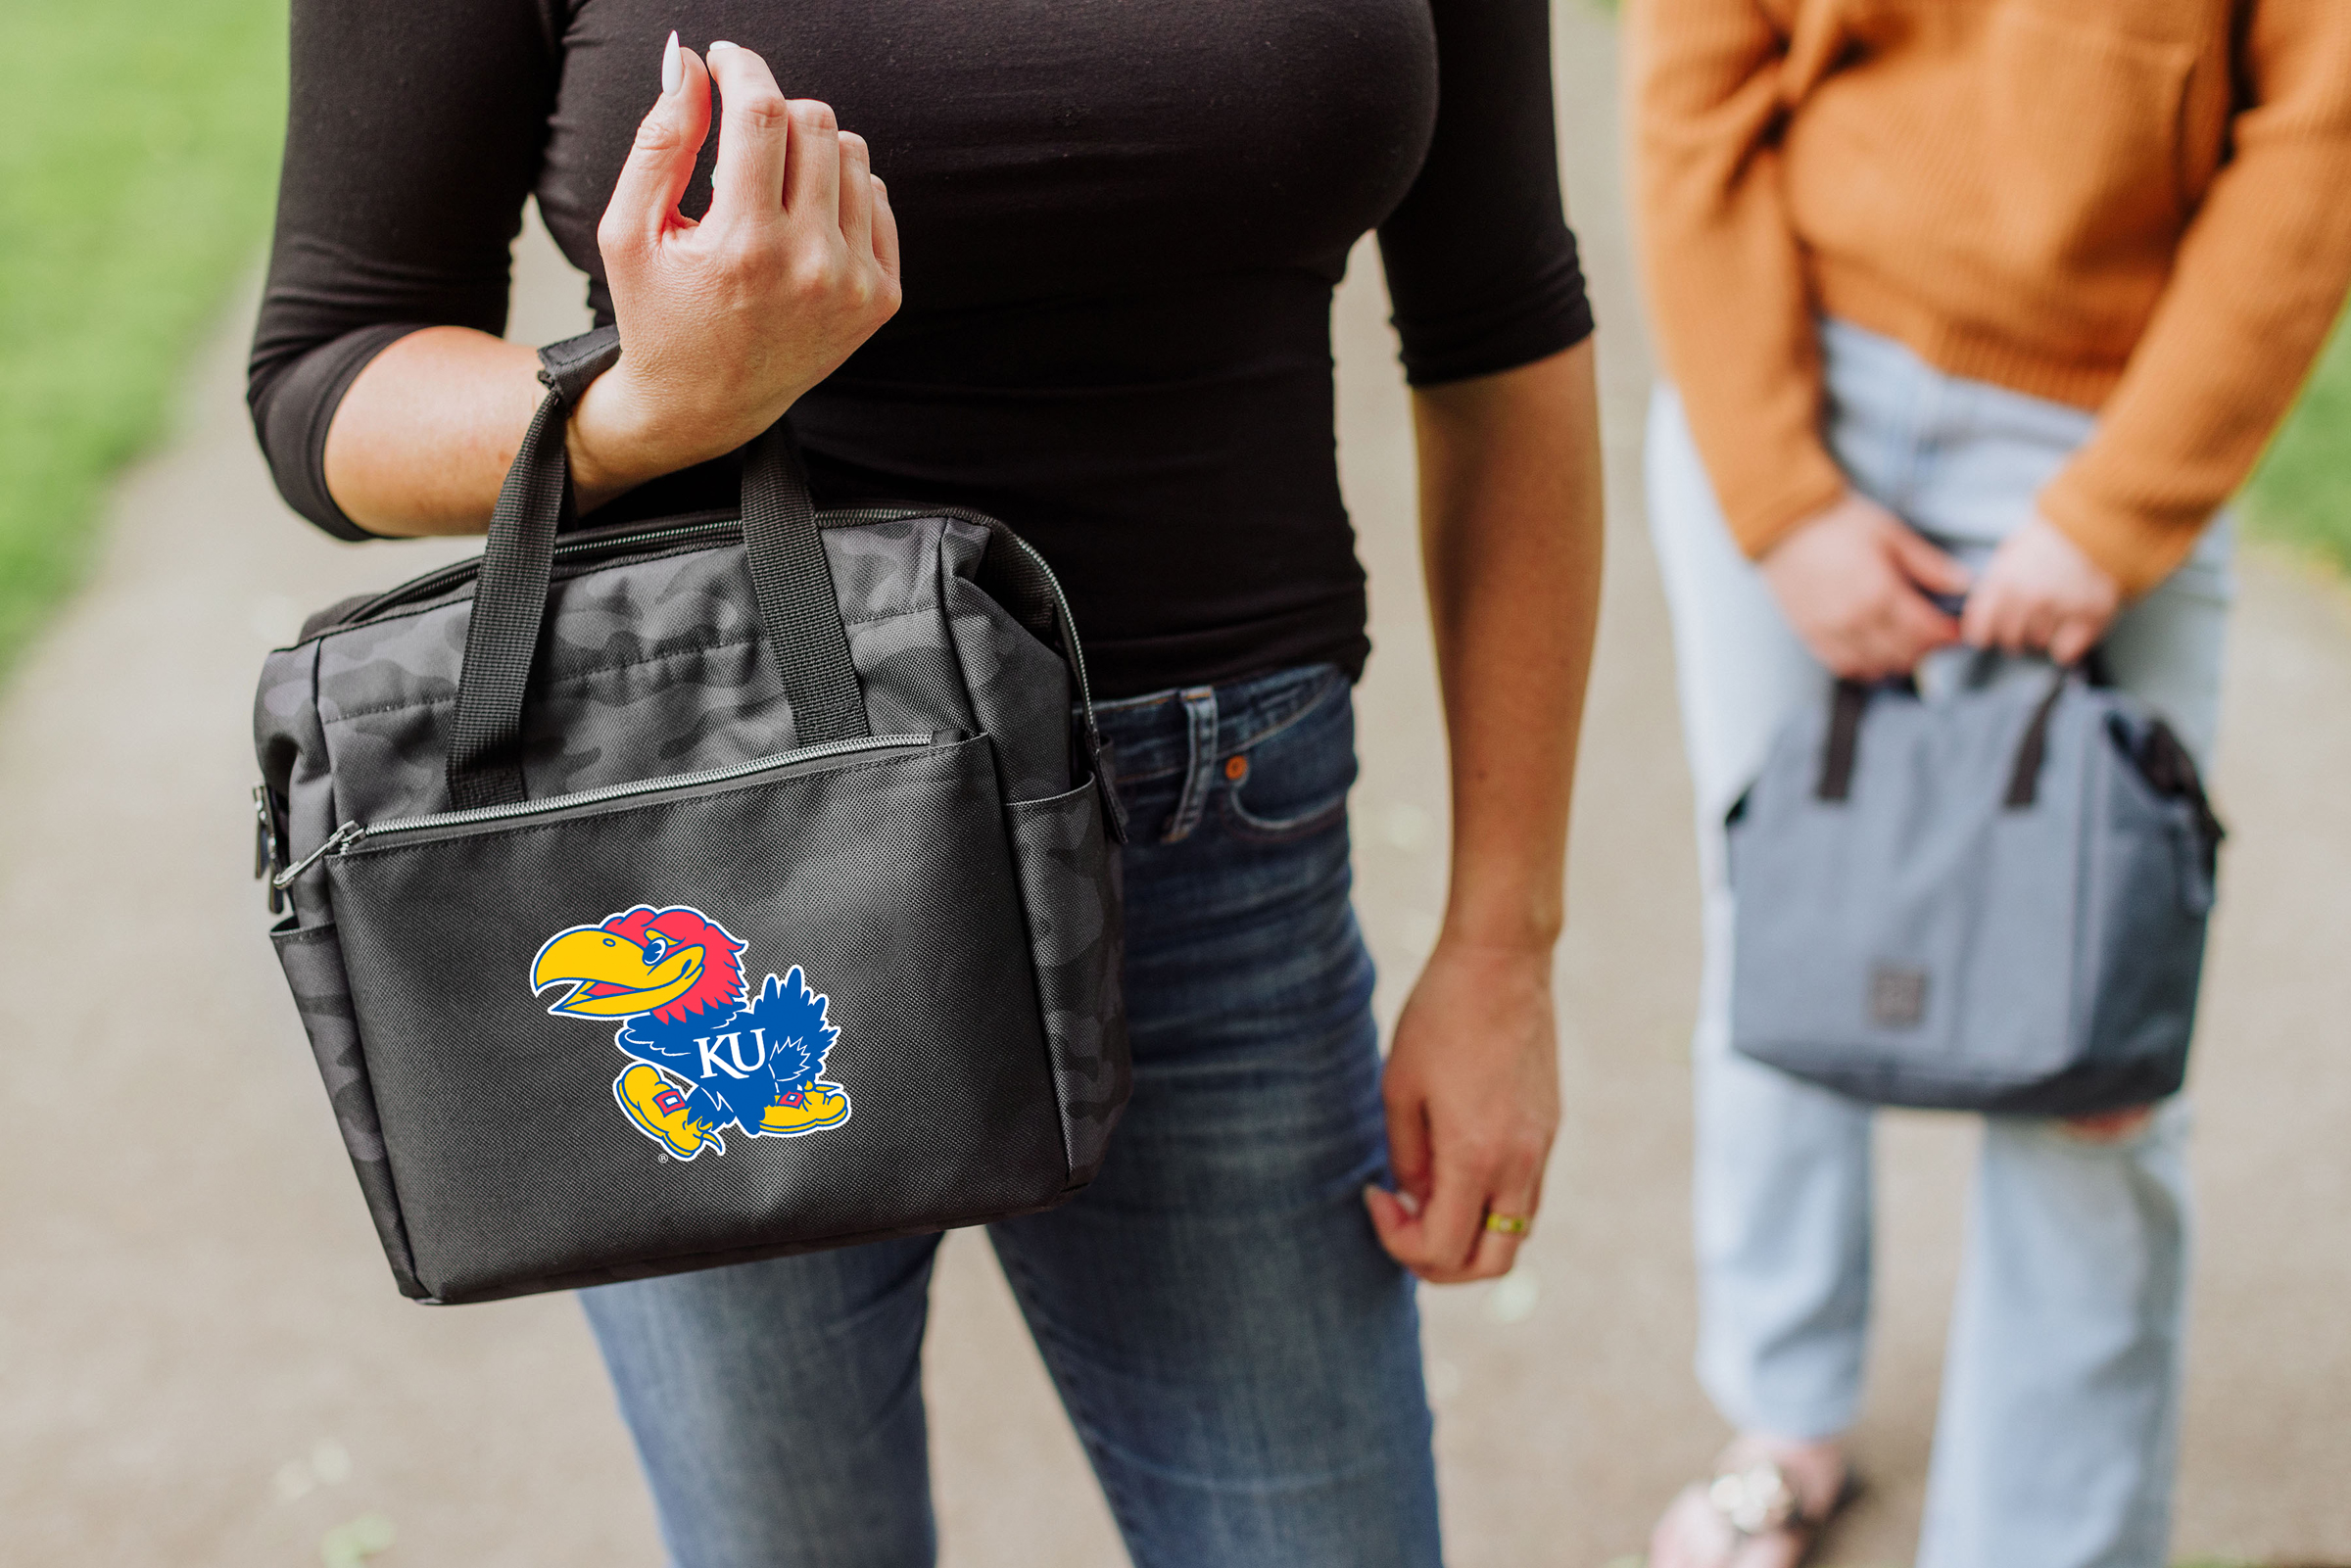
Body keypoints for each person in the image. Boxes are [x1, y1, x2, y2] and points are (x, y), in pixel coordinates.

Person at [249, 5, 1605, 1564]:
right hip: (712, 878)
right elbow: (328, 373)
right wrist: (634, 410)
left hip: (1213, 847)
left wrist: (1507, 939)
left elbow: (1505, 331)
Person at [1625, 1, 2351, 1564]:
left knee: (2097, 1041)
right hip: (1794, 372)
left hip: (2112, 413)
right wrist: (1779, 493)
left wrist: (2118, 509)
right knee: (1781, 937)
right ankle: (1784, 1416)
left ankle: (2050, 1539)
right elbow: (1691, 81)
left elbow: (2322, 126)